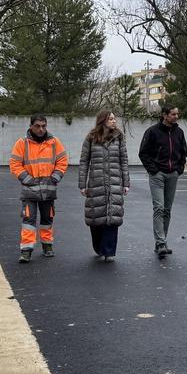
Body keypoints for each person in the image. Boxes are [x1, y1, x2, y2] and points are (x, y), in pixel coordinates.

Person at [9, 114, 68, 264]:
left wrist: (55, 177)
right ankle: (26, 251)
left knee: (47, 219)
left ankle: (47, 246)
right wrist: (28, 180)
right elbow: (15, 164)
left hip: (48, 189)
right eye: (37, 126)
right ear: (31, 126)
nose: (41, 129)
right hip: (30, 191)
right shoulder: (22, 143)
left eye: (43, 126)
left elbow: (62, 160)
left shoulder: (54, 142)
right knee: (28, 220)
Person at [79, 110, 131, 262]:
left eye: (114, 119)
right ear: (103, 121)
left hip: (114, 183)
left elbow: (124, 161)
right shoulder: (91, 137)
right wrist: (82, 184)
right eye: (111, 119)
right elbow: (84, 161)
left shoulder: (119, 137)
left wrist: (126, 183)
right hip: (96, 183)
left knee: (112, 217)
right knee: (95, 217)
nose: (114, 121)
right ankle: (99, 247)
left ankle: (109, 251)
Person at [139, 105, 187, 257]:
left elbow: (183, 153)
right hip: (157, 175)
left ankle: (162, 241)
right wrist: (153, 170)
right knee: (159, 208)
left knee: (167, 209)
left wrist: (179, 169)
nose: (176, 116)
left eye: (177, 114)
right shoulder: (152, 131)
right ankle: (160, 243)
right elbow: (143, 153)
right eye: (173, 114)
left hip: (173, 174)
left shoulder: (179, 132)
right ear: (165, 115)